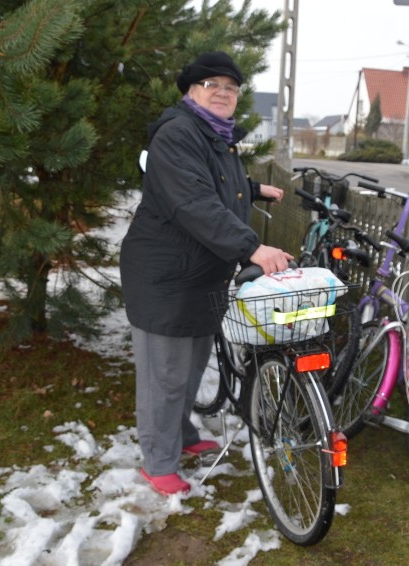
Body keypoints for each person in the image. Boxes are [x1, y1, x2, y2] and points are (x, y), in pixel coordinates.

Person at [119, 51, 293, 496]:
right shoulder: (178, 133)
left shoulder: (215, 136)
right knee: (165, 375)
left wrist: (252, 189)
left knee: (191, 367)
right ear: (191, 91)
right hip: (166, 275)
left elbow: (213, 183)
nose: (222, 92)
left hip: (199, 275)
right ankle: (159, 463)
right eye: (212, 84)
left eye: (231, 87)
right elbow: (193, 202)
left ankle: (183, 437)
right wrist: (252, 246)